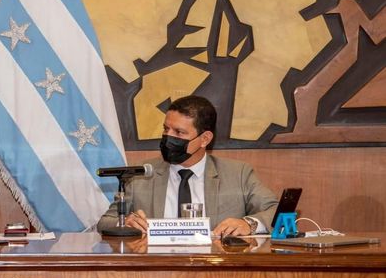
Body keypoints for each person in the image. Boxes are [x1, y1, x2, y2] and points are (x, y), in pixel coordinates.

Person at [97, 95, 278, 236]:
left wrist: (249, 224)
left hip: (215, 266)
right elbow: (105, 221)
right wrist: (125, 222)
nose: (169, 137)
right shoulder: (142, 174)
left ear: (204, 139)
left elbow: (277, 211)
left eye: (179, 132)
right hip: (158, 266)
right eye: (166, 129)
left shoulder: (238, 174)